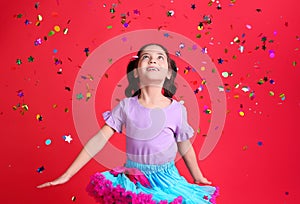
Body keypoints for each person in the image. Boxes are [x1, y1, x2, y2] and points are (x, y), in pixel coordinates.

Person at [37, 43, 219, 203]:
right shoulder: (126, 106)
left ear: (169, 74)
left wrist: (197, 176)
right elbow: (98, 140)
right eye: (146, 57)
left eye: (159, 58)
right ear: (137, 72)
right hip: (134, 180)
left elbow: (184, 145)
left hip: (167, 180)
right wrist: (68, 174)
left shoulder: (177, 110)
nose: (153, 61)